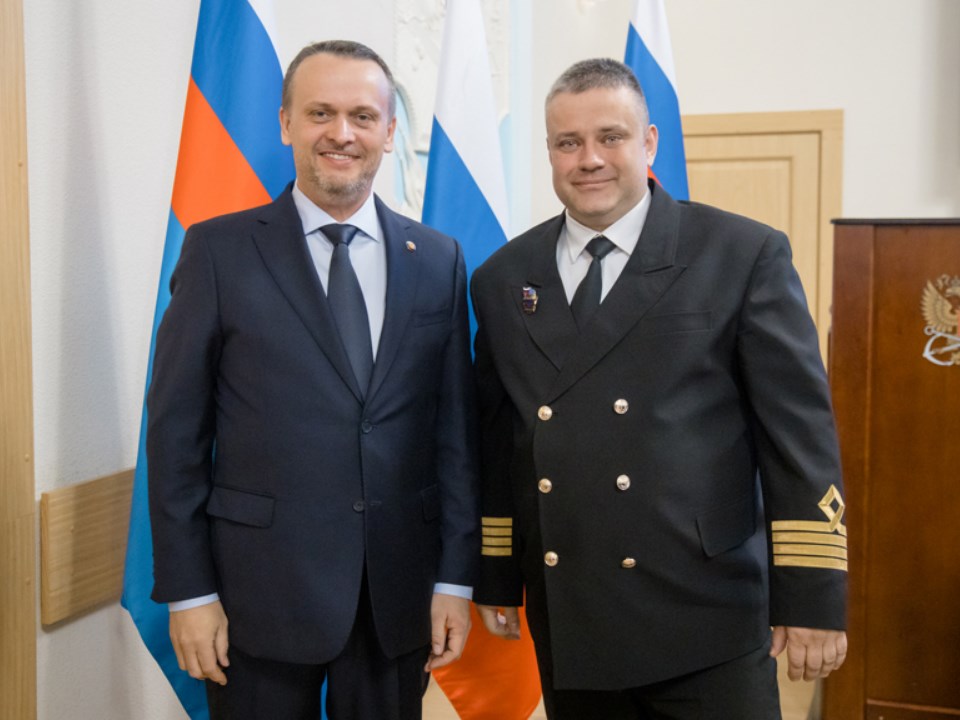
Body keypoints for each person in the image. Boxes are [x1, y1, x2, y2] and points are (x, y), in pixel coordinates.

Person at [471, 58, 848, 719]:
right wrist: (498, 572)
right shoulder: (505, 277)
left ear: (648, 142)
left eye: (610, 137)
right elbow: (502, 442)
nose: (590, 159)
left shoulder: (740, 253)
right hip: (574, 608)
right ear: (550, 152)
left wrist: (813, 594)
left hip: (707, 610)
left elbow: (799, 439)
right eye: (568, 142)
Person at [147, 40, 479, 720]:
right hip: (255, 597)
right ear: (285, 124)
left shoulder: (437, 258)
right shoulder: (218, 251)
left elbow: (454, 437)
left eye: (363, 116)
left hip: (395, 597)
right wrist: (189, 592)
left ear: (390, 132)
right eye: (320, 112)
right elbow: (176, 436)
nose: (341, 133)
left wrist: (454, 578)